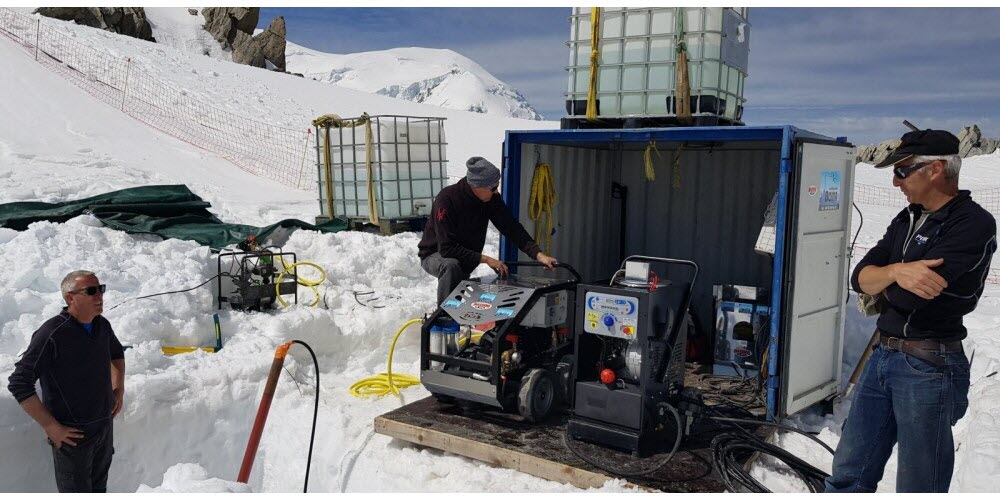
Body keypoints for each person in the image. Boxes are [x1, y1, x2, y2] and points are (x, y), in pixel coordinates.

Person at [825, 129, 996, 492]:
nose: (895, 180)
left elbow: (911, 299)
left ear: (935, 169)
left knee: (920, 485)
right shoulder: (906, 219)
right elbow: (859, 277)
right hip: (883, 357)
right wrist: (898, 272)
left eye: (903, 170)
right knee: (849, 472)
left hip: (928, 367)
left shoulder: (973, 224)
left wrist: (885, 280)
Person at [8, 271, 125, 493]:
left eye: (101, 289)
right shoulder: (52, 333)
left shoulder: (102, 325)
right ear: (71, 297)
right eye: (91, 291)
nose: (99, 295)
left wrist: (119, 388)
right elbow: (19, 382)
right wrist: (52, 427)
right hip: (73, 438)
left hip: (103, 428)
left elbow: (116, 352)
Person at [418, 156, 559, 304]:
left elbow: (511, 227)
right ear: (477, 186)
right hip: (435, 254)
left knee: (459, 294)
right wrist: (486, 259)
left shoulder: (491, 199)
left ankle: (458, 316)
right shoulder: (447, 199)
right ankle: (443, 320)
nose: (496, 192)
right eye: (493, 188)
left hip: (465, 259)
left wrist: (538, 254)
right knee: (451, 266)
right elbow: (447, 248)